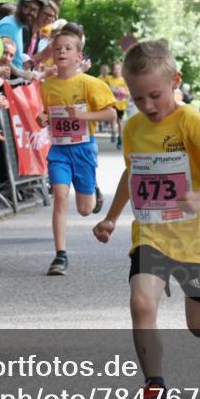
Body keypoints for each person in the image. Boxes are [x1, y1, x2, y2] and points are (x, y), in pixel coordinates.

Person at [92, 39, 200, 399]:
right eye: (138, 98)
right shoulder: (135, 127)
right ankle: (154, 387)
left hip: (197, 237)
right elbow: (132, 173)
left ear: (175, 80)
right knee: (141, 302)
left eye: (154, 95)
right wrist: (111, 218)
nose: (148, 106)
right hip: (152, 233)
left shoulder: (194, 123)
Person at [35, 30, 116, 276]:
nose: (61, 52)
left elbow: (111, 114)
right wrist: (42, 119)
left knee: (84, 209)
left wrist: (84, 115)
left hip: (83, 148)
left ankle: (93, 190)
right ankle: (60, 255)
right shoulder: (47, 86)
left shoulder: (91, 84)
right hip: (59, 149)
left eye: (68, 48)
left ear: (79, 56)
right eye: (57, 48)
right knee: (60, 197)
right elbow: (47, 116)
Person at [0, 0, 42, 70]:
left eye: (34, 10)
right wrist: (20, 74)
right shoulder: (10, 26)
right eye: (26, 7)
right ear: (18, 7)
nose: (30, 12)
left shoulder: (18, 25)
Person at [104, 62, 129, 149]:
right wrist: (110, 89)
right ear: (112, 70)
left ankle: (119, 139)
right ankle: (113, 131)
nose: (116, 71)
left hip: (121, 104)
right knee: (112, 118)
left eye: (118, 69)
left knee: (119, 121)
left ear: (121, 70)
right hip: (111, 103)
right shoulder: (108, 79)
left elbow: (128, 93)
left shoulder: (124, 80)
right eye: (115, 69)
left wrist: (121, 91)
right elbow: (104, 89)